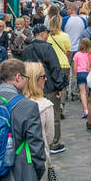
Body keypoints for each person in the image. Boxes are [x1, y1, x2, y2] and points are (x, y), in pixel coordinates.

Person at [35, 23, 68, 154]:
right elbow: (55, 68)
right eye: (46, 33)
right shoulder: (48, 48)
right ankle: (53, 143)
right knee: (52, 115)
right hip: (48, 87)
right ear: (43, 34)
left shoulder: (27, 49)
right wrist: (60, 86)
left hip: (32, 88)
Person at [73, 38, 91, 121]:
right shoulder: (90, 54)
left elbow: (75, 67)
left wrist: (75, 75)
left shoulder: (77, 54)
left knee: (83, 92)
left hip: (80, 73)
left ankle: (85, 109)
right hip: (89, 73)